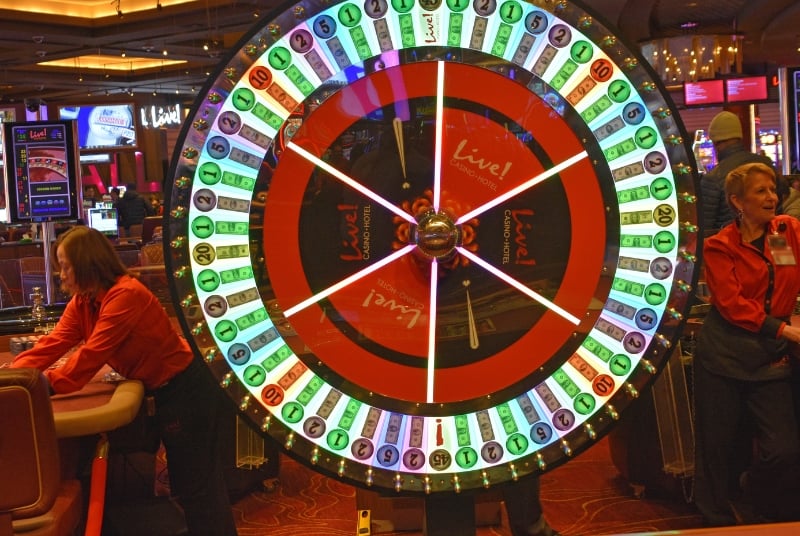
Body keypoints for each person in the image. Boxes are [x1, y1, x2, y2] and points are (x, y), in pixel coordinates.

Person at [10, 226, 238, 536]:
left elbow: (91, 356)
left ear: (86, 263)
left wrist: (38, 387)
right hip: (165, 392)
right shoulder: (84, 302)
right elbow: (53, 343)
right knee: (189, 486)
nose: (59, 273)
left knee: (199, 489)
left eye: (65, 265)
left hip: (187, 391)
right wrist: (11, 379)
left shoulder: (126, 295)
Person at [693, 162, 800, 526]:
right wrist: (782, 330)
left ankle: (754, 490)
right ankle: (713, 521)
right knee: (715, 449)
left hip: (769, 358)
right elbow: (733, 304)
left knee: (784, 450)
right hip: (724, 353)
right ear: (737, 201)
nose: (772, 196)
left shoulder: (785, 232)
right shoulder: (719, 246)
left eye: (773, 189)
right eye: (761, 191)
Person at [700, 111, 777, 238]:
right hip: (771, 242)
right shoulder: (766, 165)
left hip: (729, 250)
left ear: (716, 144)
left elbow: (705, 229)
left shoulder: (713, 177)